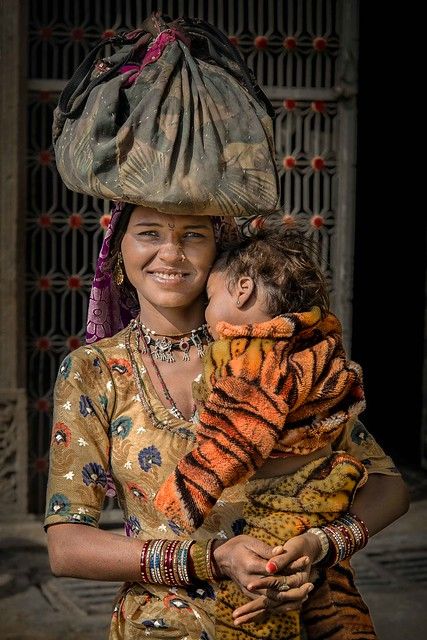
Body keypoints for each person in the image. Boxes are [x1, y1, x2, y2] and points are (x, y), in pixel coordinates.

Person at [45, 203, 409, 640]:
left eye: (193, 235)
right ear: (117, 252)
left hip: (290, 620)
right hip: (160, 627)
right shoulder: (92, 371)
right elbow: (66, 547)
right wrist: (214, 558)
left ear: (219, 250)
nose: (171, 253)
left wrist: (319, 547)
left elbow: (389, 486)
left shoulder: (278, 353)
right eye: (149, 233)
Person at [153, 226, 371, 639]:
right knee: (335, 598)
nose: (206, 313)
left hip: (286, 497)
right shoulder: (311, 340)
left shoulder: (255, 356)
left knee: (251, 604)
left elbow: (241, 434)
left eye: (211, 298)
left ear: (243, 290)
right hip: (329, 487)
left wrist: (187, 492)